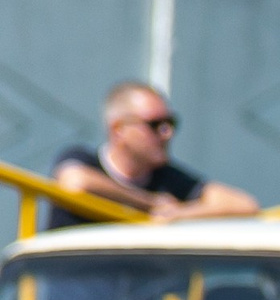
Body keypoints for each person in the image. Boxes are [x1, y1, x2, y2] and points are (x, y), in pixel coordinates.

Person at [47, 81, 258, 228]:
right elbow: (76, 183)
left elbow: (244, 205)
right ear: (118, 129)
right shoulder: (83, 160)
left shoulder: (166, 178)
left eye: (170, 123)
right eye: (155, 125)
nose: (167, 133)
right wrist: (150, 204)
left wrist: (179, 214)